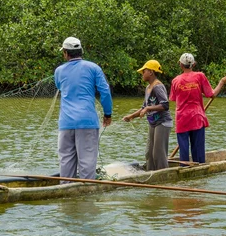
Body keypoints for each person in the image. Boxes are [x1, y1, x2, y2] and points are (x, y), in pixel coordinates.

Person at [54, 36, 113, 179]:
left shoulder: (59, 70)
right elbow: (105, 92)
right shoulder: (94, 68)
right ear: (81, 51)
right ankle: (86, 194)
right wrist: (107, 114)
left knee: (66, 161)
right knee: (87, 162)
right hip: (87, 122)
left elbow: (59, 86)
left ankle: (66, 189)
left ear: (66, 53)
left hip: (66, 123)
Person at [169, 53, 226, 165]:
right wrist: (221, 82)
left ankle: (184, 168)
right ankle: (199, 170)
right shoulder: (200, 76)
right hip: (197, 117)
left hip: (182, 118)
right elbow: (211, 94)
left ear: (180, 65)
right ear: (193, 64)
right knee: (198, 151)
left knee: (183, 150)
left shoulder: (175, 80)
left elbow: (173, 98)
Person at [123, 60, 173, 170]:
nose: (142, 74)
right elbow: (144, 107)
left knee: (158, 153)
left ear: (151, 72)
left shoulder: (157, 86)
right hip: (153, 123)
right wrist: (131, 116)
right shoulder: (148, 88)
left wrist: (148, 108)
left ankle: (163, 176)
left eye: (144, 71)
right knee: (149, 153)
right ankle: (150, 175)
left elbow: (165, 105)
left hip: (162, 123)